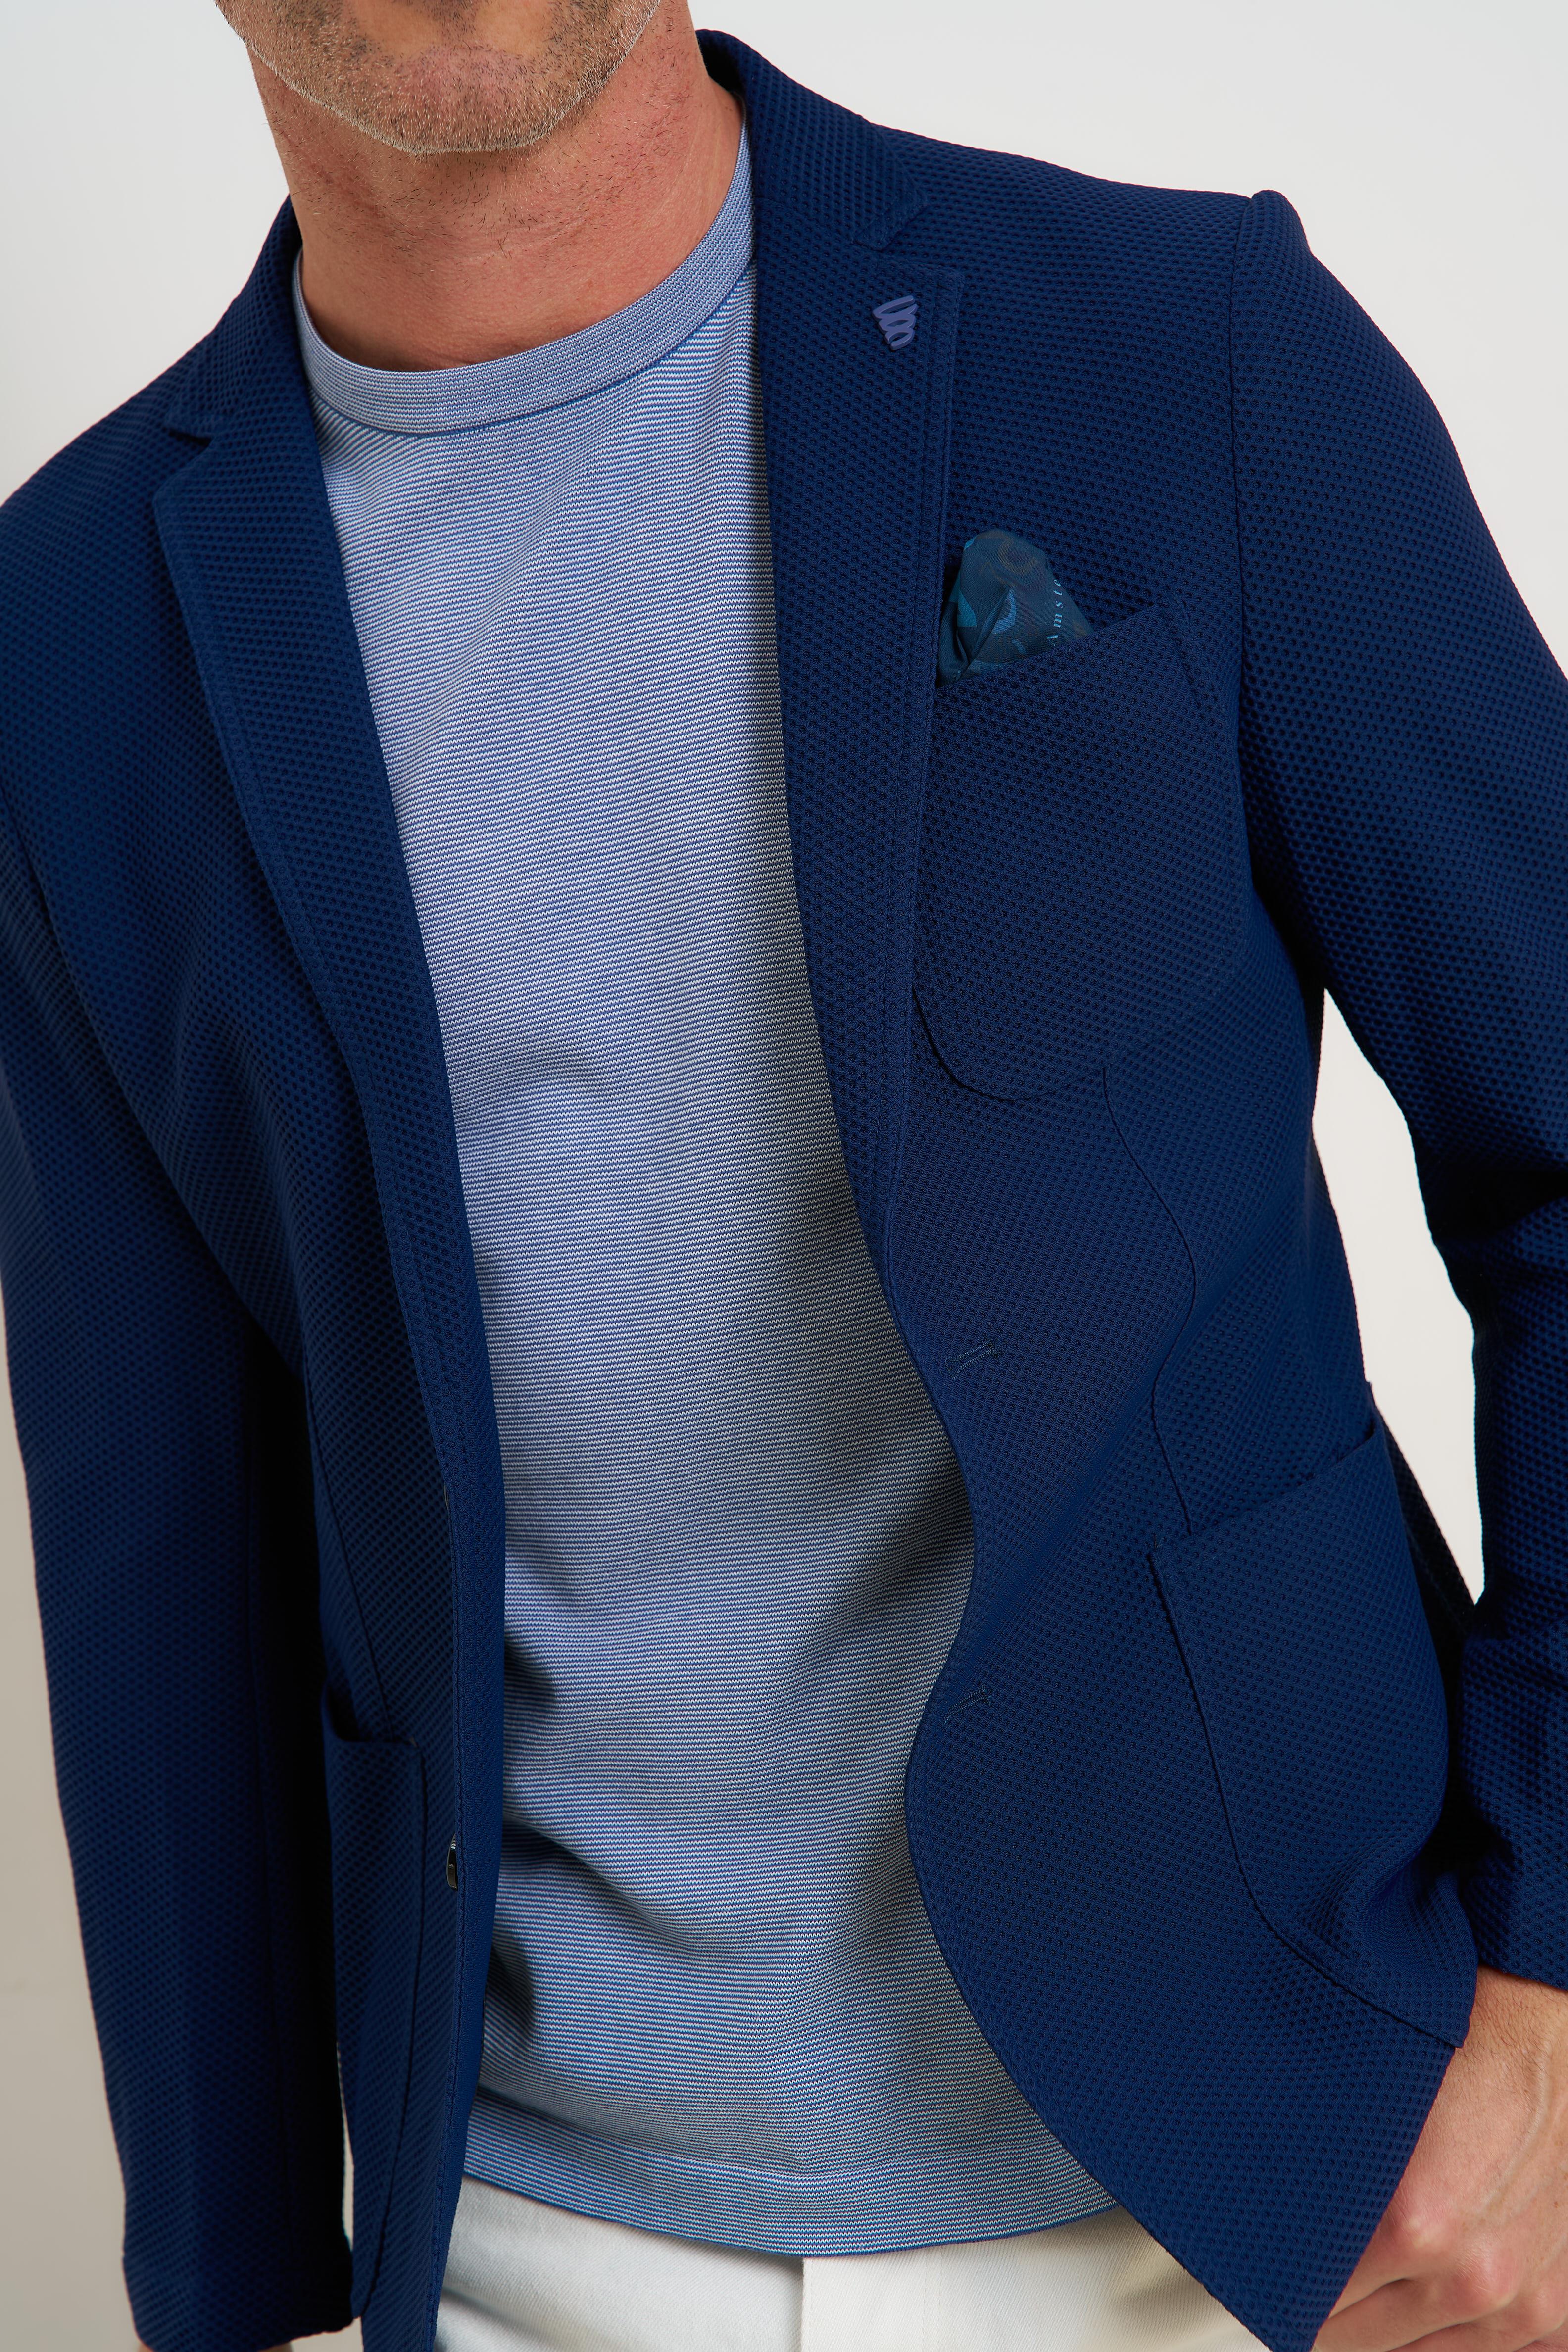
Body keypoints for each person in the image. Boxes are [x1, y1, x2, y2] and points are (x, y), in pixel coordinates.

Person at [1, 2, 1566, 2349]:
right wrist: (235, 2296)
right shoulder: (65, 632)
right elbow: (160, 1530)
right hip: (524, 2241)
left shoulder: (1179, 351)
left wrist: (1556, 1984)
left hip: (1277, 2200)